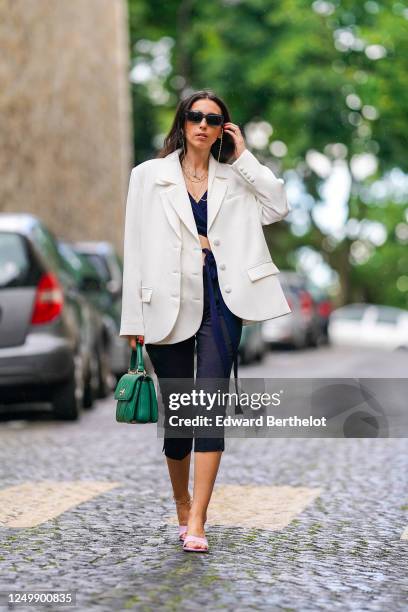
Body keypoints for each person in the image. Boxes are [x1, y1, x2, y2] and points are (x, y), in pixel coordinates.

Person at [119, 89, 291, 552]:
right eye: (195, 116)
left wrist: (246, 157)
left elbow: (278, 207)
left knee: (208, 408)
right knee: (179, 418)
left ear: (223, 129)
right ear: (182, 121)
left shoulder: (236, 177)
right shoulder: (147, 176)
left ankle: (198, 519)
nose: (202, 125)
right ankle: (181, 499)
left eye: (213, 120)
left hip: (222, 300)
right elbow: (133, 250)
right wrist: (131, 318)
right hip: (166, 304)